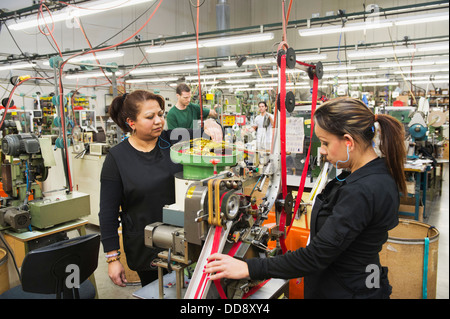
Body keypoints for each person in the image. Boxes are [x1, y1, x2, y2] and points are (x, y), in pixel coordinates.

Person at [205, 97, 407, 299]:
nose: (322, 150)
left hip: (347, 292)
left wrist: (248, 267)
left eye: (326, 143)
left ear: (349, 142)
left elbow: (317, 256)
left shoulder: (363, 190)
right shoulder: (368, 175)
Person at [99, 90, 222, 287]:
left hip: (187, 241)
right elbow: (108, 212)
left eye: (160, 114)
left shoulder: (174, 140)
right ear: (131, 123)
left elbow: (209, 134)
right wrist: (113, 258)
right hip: (147, 247)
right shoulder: (117, 159)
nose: (158, 121)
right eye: (150, 117)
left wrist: (210, 123)